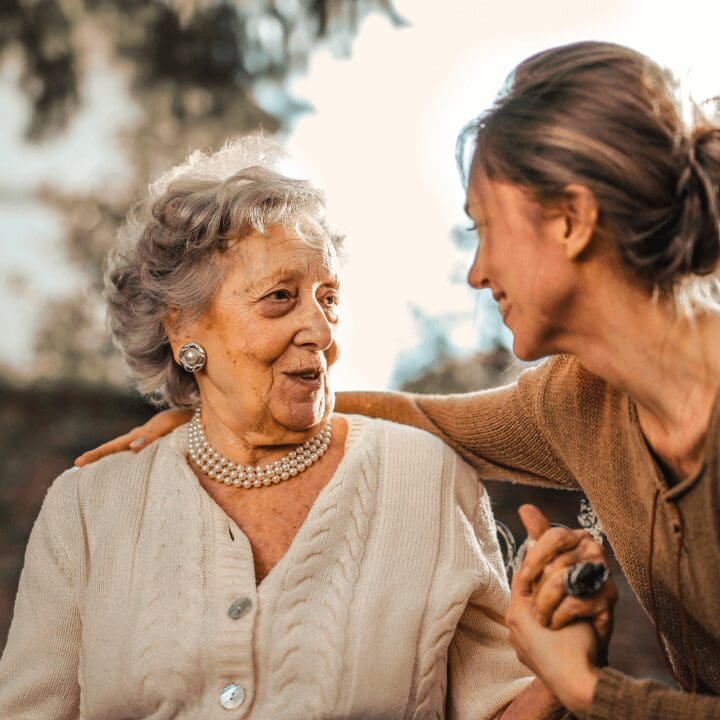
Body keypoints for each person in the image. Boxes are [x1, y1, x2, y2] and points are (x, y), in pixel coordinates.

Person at [79, 42, 720, 719]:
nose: (476, 272)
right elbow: (422, 416)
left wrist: (590, 690)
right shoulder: (577, 402)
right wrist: (226, 409)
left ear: (570, 219)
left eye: (485, 228)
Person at [0, 136, 563, 719]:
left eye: (329, 298)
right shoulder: (88, 509)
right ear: (183, 327)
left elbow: (498, 706)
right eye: (280, 298)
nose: (320, 331)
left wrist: (558, 681)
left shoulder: (427, 480)